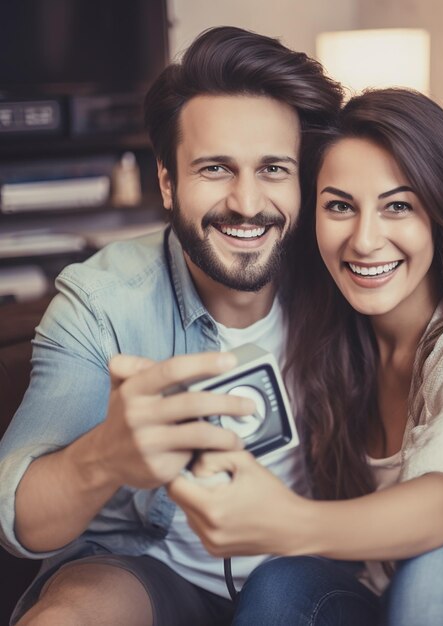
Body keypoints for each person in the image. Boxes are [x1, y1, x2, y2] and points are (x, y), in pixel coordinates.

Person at [168, 88, 443, 625]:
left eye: (398, 206)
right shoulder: (326, 343)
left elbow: (437, 505)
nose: (365, 240)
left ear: (441, 214)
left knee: (437, 567)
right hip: (399, 606)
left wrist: (289, 521)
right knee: (282, 580)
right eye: (340, 206)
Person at [0, 26, 343, 626]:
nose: (245, 202)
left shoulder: (348, 274)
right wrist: (104, 458)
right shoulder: (102, 300)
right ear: (166, 180)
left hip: (314, 573)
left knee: (283, 592)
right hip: (150, 569)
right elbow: (19, 519)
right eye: (215, 168)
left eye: (273, 169)